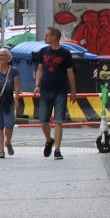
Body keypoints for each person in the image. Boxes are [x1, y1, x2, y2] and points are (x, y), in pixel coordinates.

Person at [33, 26, 78, 159]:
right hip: (45, 90)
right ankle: (49, 140)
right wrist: (37, 85)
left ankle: (57, 149)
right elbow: (40, 69)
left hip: (60, 91)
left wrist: (73, 91)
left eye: (46, 35)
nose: (44, 37)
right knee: (43, 120)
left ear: (54, 37)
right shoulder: (42, 51)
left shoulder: (65, 53)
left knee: (58, 121)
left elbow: (70, 72)